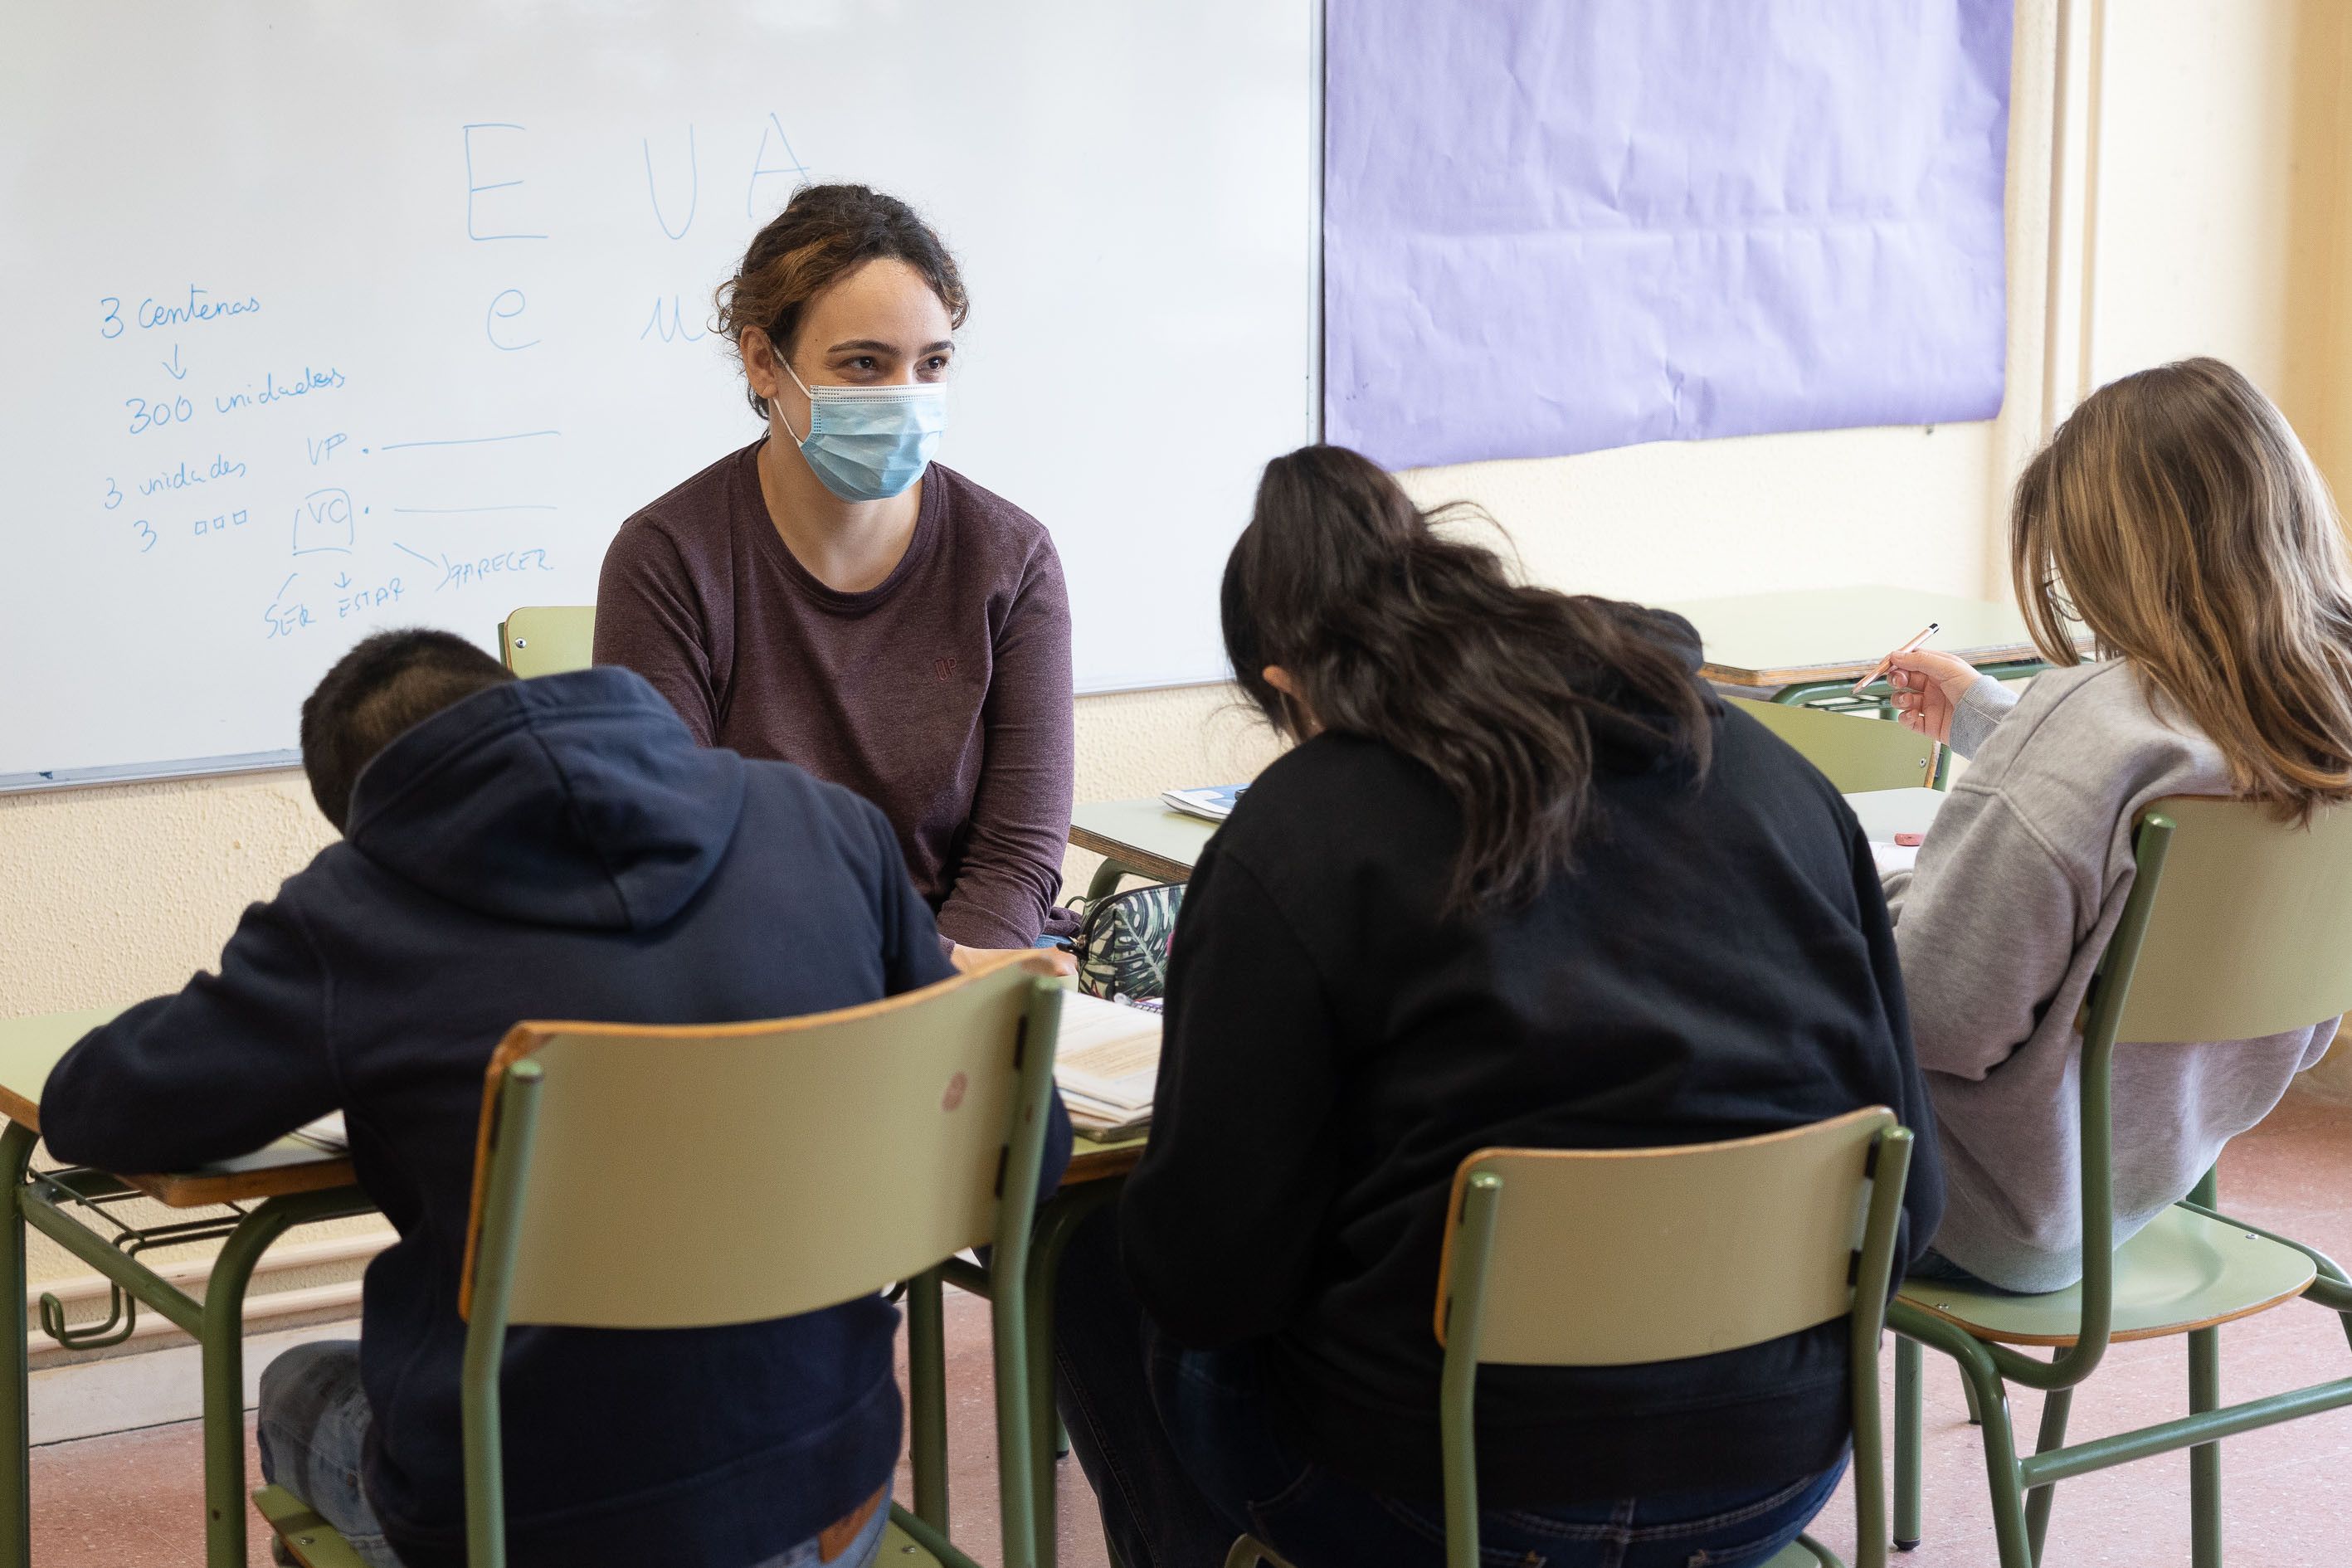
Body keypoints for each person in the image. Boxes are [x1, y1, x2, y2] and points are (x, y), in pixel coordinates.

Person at [1051, 446, 1943, 1568]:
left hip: (1445, 1504)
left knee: (1096, 1262)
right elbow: (1914, 1197)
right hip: (1771, 1468)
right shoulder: (1776, 783)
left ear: (1289, 688)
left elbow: (1206, 1274)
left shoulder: (1297, 833)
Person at [39, 630, 1069, 1568]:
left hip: (530, 1523)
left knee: (300, 1385)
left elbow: (96, 1108)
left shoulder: (355, 914)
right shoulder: (824, 823)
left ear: (371, 812)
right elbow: (1034, 1145)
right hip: (829, 1484)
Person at [1882, 357, 2349, 1293]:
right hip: (2141, 1188)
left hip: (1972, 1208)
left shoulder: (2092, 718)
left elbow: (1938, 1020)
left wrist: (1877, 902)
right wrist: (1995, 724)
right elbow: (2159, 779)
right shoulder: (2322, 707)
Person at [596, 183, 1075, 971]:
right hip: (752, 969)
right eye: (863, 365)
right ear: (763, 362)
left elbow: (1018, 852)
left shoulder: (1011, 557)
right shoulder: (667, 557)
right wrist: (910, 972)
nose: (905, 398)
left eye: (932, 364)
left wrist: (947, 981)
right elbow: (669, 845)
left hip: (966, 974)